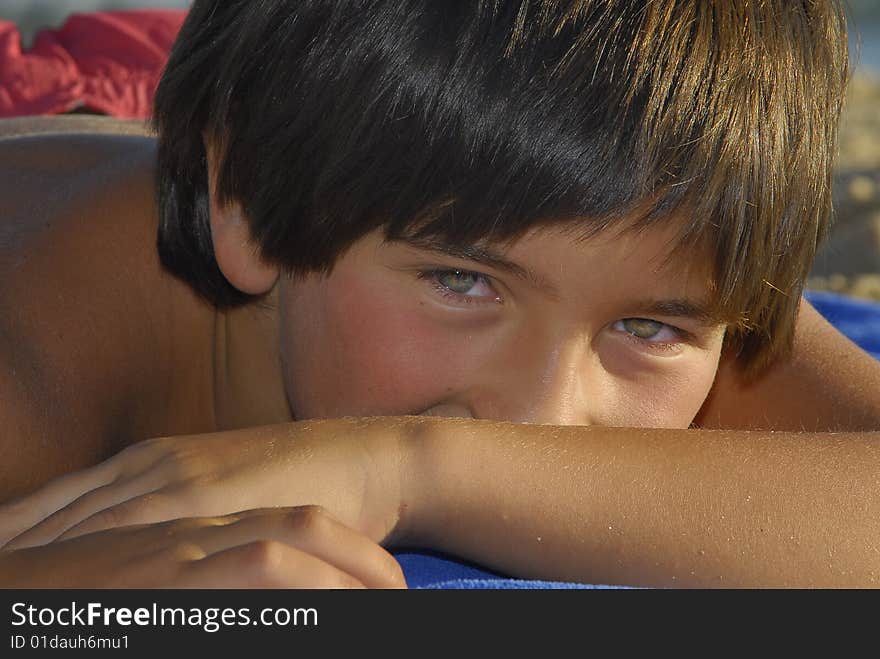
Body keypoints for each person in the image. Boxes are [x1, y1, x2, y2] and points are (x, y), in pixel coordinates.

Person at [0, 0, 878, 589]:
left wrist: (412, 464)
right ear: (246, 206)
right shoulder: (38, 369)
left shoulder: (635, 236)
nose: (542, 418)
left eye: (645, 326)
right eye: (462, 281)